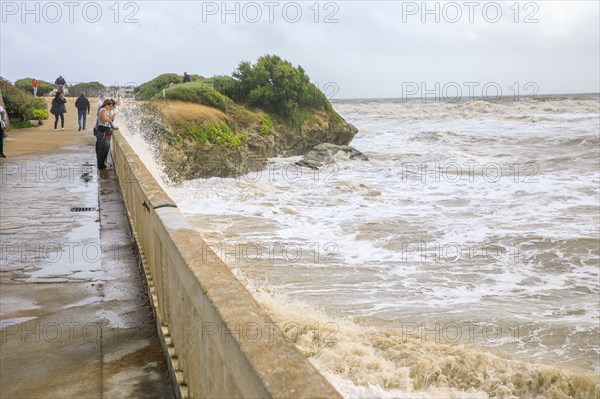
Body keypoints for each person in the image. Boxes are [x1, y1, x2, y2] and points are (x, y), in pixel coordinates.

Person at [94, 99, 117, 170]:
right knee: (102, 148)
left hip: (101, 129)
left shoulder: (106, 110)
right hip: (100, 130)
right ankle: (101, 165)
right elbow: (104, 119)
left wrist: (112, 119)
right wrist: (111, 116)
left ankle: (101, 164)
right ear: (107, 105)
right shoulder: (102, 110)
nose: (111, 108)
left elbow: (108, 121)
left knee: (103, 147)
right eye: (111, 106)